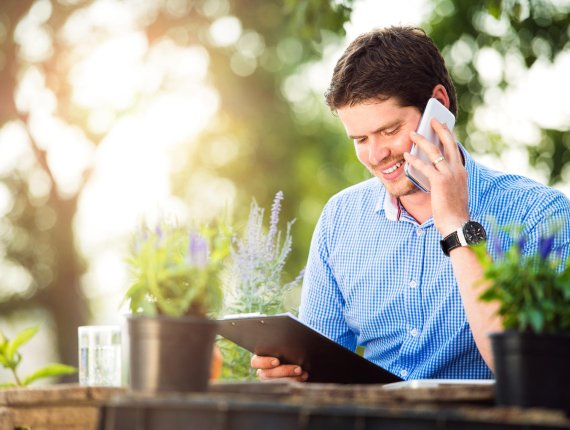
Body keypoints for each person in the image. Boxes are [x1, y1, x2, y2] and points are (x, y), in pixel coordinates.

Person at [252, 26, 570, 381]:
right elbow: (321, 367)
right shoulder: (340, 219)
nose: (376, 155)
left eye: (389, 131)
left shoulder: (539, 215)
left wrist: (456, 226)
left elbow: (531, 375)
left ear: (439, 105)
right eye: (360, 139)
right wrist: (295, 375)